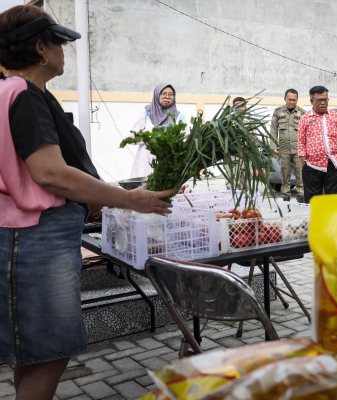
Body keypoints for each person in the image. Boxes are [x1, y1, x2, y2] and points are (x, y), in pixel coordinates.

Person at [0, 7, 174, 400]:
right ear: (41, 48)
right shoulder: (24, 95)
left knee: (35, 351)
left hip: (25, 236)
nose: (64, 51)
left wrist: (101, 196)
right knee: (51, 351)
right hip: (37, 238)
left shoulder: (17, 91)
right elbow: (50, 173)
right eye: (59, 43)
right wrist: (129, 199)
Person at [297, 86, 337, 203]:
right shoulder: (305, 118)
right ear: (311, 101)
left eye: (325, 100)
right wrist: (304, 162)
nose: (323, 103)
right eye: (319, 100)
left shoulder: (335, 116)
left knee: (332, 199)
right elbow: (301, 142)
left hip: (333, 164)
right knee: (312, 201)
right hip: (312, 165)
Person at [130, 82, 189, 178]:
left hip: (169, 163)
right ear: (157, 94)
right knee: (145, 186)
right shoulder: (145, 114)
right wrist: (151, 133)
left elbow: (185, 142)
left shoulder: (179, 117)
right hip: (146, 163)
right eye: (163, 93)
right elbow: (132, 138)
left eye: (170, 94)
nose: (167, 97)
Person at [270, 89, 306, 203]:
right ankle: (286, 200)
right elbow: (273, 130)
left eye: (294, 100)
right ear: (285, 99)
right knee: (285, 176)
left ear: (297, 100)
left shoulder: (302, 113)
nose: (292, 102)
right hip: (284, 149)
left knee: (301, 176)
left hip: (299, 150)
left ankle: (301, 199)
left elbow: (307, 132)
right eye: (289, 99)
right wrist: (273, 147)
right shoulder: (278, 112)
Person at [224, 97, 248, 190]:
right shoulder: (228, 120)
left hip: (246, 157)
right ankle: (232, 198)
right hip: (233, 157)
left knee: (246, 185)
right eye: (237, 105)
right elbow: (224, 138)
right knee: (233, 183)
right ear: (233, 107)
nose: (240, 108)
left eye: (242, 106)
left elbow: (253, 139)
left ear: (245, 107)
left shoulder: (250, 122)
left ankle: (244, 199)